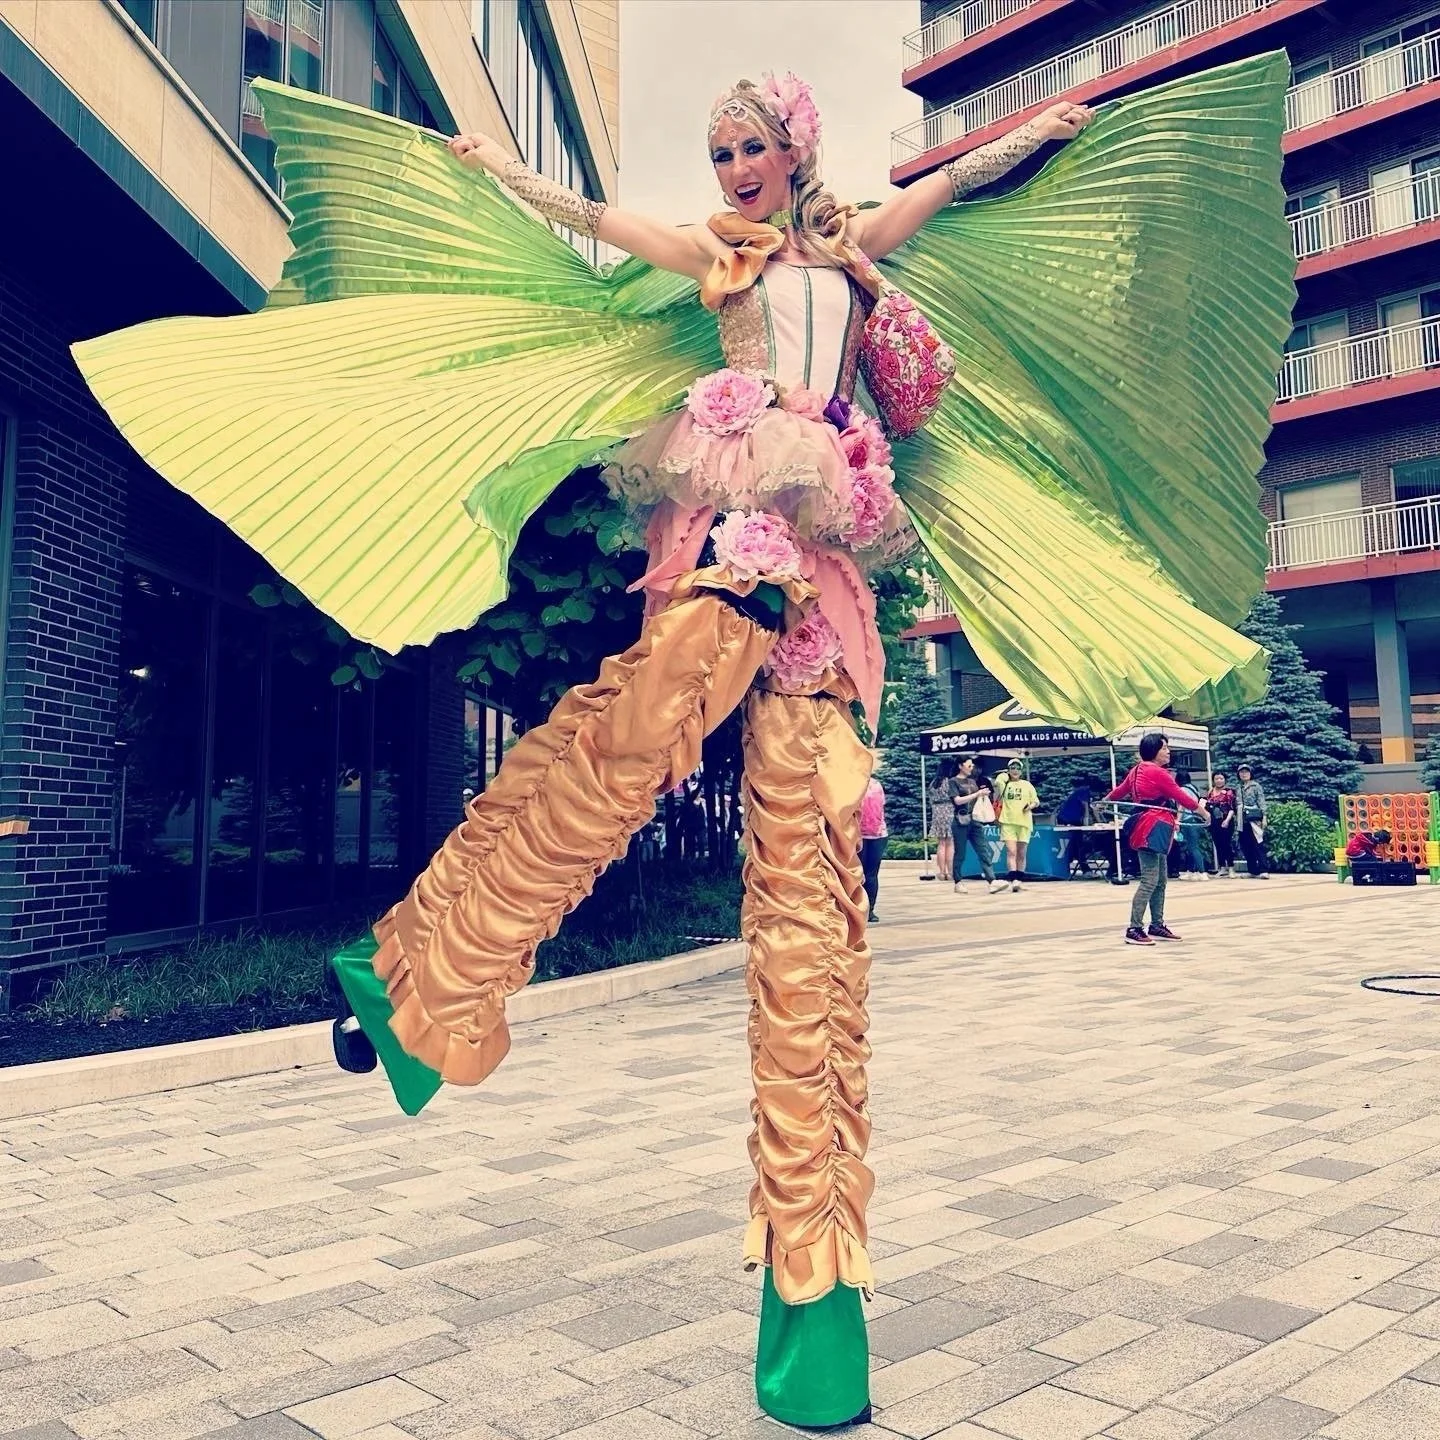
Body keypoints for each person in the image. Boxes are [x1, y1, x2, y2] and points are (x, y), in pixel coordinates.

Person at [68, 55, 1299, 1434]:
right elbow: (604, 225)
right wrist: (506, 177)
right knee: (635, 732)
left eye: (750, 147)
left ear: (794, 149)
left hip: (829, 586)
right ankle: (420, 981)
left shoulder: (852, 246)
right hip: (747, 535)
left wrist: (1045, 128)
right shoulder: (719, 262)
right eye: (719, 154)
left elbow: (948, 186)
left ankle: (816, 1313)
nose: (733, 172)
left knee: (810, 920)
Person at [1105, 734, 1209, 945]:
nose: (1168, 751)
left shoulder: (1137, 770)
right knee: (1150, 880)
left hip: (1153, 826)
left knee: (1160, 880)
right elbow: (1180, 796)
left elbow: (1120, 791)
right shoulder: (1157, 772)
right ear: (1154, 751)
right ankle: (1134, 928)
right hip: (1152, 826)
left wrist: (1105, 800)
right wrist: (1203, 812)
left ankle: (1156, 924)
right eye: (1164, 748)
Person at [950, 754, 1004, 894]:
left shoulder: (972, 781)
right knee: (960, 853)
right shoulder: (953, 781)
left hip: (975, 820)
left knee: (983, 850)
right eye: (969, 765)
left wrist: (983, 795)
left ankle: (992, 880)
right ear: (960, 766)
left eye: (972, 765)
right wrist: (976, 794)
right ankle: (958, 881)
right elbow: (957, 800)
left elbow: (977, 799)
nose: (971, 768)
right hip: (960, 820)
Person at [998, 759, 1039, 891]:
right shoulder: (1004, 783)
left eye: (1017, 768)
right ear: (1008, 770)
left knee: (1021, 853)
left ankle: (1019, 880)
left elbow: (1036, 801)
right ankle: (1013, 879)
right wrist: (1006, 774)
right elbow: (998, 780)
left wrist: (1029, 807)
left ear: (1021, 771)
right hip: (1008, 822)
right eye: (1012, 768)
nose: (1015, 771)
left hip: (1024, 823)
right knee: (1011, 851)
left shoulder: (1027, 785)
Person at [859, 774, 887, 922]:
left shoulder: (850, 785)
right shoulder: (877, 784)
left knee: (858, 874)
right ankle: (869, 910)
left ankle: (859, 908)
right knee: (871, 874)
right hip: (879, 834)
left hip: (858, 835)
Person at [1173, 768, 1208, 880]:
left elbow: (1182, 806)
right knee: (1191, 846)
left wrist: (1177, 821)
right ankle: (1191, 871)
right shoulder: (1193, 788)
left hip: (1187, 819)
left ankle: (1202, 872)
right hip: (1195, 819)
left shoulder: (1182, 790)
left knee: (1192, 847)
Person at [1236, 763, 1270, 878]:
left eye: (1246, 772)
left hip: (1254, 820)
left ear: (1251, 773)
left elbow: (1261, 801)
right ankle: (1252, 870)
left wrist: (1264, 817)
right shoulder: (1238, 787)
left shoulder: (1256, 786)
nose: (1244, 774)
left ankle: (1263, 869)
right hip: (1242, 820)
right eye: (1241, 772)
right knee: (1246, 845)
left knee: (1258, 844)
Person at [928, 758, 959, 883]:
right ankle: (950, 872)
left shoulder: (934, 783)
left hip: (937, 812)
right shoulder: (951, 782)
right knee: (950, 843)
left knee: (941, 843)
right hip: (949, 810)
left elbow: (930, 799)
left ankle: (942, 872)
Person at [1207, 771, 1237, 877]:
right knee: (1218, 844)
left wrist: (1227, 820)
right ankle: (1222, 867)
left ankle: (1231, 867)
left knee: (1226, 844)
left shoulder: (1229, 792)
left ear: (1224, 780)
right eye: (1216, 779)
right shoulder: (1211, 792)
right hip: (1214, 821)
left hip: (1226, 820)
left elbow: (1232, 808)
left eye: (1221, 778)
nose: (1219, 781)